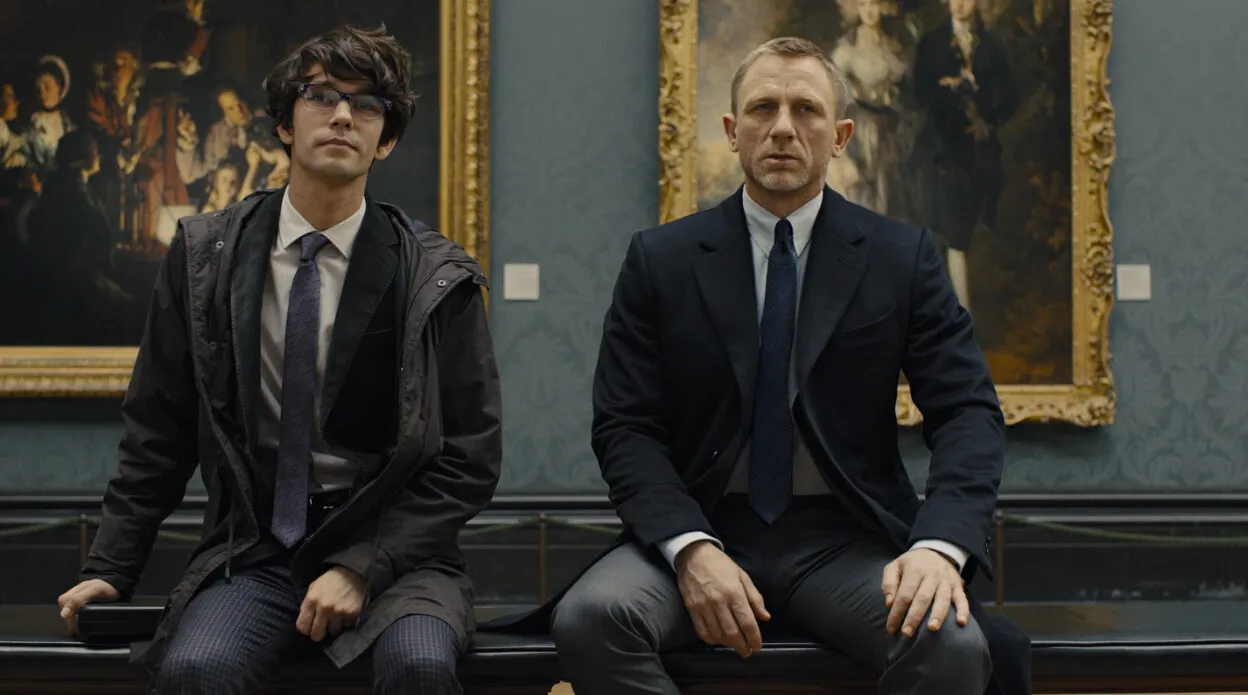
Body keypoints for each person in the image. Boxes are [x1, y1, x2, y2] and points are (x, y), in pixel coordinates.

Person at [544, 37, 1029, 695]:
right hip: (703, 524)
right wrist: (690, 548)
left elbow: (968, 411)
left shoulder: (901, 257)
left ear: (841, 136)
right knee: (591, 617)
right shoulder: (661, 260)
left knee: (951, 642)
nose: (781, 128)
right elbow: (625, 426)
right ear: (732, 130)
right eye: (762, 108)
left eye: (806, 109)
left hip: (846, 539)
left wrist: (938, 548)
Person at [55, 24, 502, 695]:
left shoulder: (437, 276)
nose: (344, 115)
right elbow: (158, 428)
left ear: (385, 139)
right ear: (286, 124)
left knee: (418, 665)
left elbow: (471, 457)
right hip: (259, 551)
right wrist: (111, 567)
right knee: (195, 671)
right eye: (322, 96)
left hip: (402, 558)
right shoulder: (206, 255)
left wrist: (361, 566)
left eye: (368, 104)